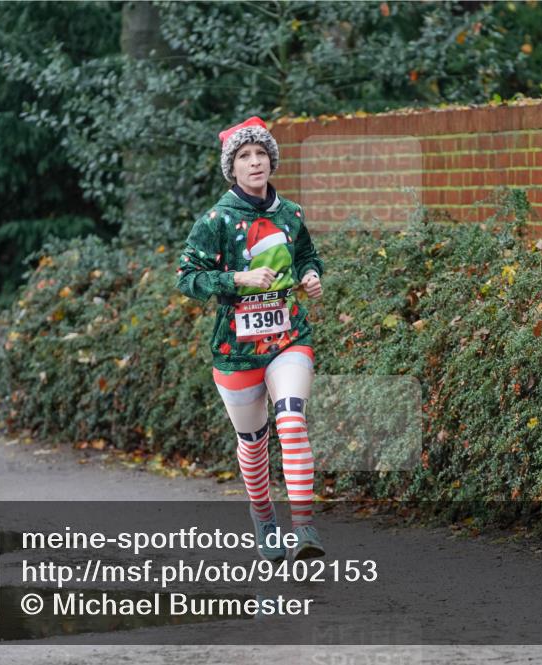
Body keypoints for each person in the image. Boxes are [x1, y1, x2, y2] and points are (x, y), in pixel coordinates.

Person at [176, 116, 325, 562]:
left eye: (261, 154)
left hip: (288, 336)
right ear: (233, 168)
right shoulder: (216, 220)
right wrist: (238, 278)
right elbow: (186, 278)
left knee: (292, 421)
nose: (255, 162)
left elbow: (307, 256)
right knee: (254, 442)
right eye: (245, 156)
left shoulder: (291, 213)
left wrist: (311, 275)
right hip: (236, 352)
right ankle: (264, 520)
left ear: (271, 161)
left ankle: (304, 527)